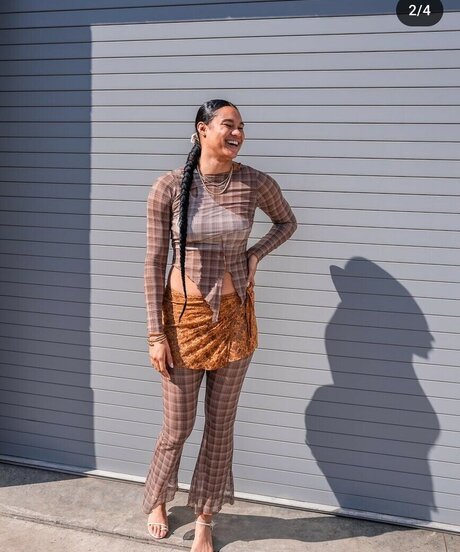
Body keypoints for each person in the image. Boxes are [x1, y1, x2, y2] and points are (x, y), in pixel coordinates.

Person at [142, 99, 297, 552]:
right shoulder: (170, 186)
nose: (237, 133)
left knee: (220, 426)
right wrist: (155, 334)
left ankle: (205, 518)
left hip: (234, 322)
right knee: (177, 428)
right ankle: (157, 498)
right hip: (182, 324)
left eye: (241, 127)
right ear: (202, 130)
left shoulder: (254, 182)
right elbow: (153, 263)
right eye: (228, 125)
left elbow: (286, 222)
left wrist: (254, 254)